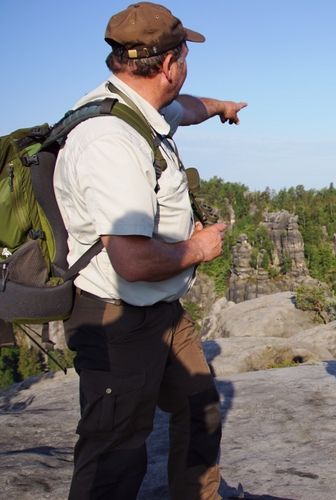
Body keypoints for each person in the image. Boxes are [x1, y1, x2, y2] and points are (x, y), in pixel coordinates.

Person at [53, 2, 247, 498]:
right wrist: (199, 248)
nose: (186, 65)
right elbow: (133, 261)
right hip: (115, 318)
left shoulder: (143, 106)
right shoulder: (110, 140)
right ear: (169, 65)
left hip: (159, 310)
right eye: (184, 55)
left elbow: (186, 107)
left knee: (198, 404)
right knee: (116, 450)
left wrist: (221, 106)